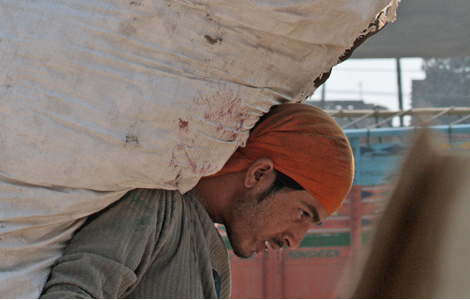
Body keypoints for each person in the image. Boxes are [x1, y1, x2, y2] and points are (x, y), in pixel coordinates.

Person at [40, 103, 354, 299]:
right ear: (259, 174)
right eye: (303, 213)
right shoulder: (157, 208)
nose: (294, 241)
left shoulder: (212, 257)